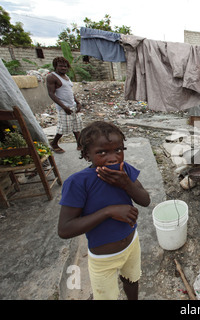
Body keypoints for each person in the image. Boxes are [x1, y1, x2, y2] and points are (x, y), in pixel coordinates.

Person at [57, 121, 151, 300]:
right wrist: (108, 211)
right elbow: (65, 229)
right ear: (86, 155)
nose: (113, 158)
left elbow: (145, 200)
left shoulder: (125, 170)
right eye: (102, 152)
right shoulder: (78, 183)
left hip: (132, 245)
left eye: (118, 150)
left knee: (132, 280)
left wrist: (126, 184)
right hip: (103, 258)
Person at [47, 57, 83, 153]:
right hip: (64, 107)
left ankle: (79, 144)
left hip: (72, 105)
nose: (63, 68)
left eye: (65, 66)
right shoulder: (52, 77)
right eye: (61, 66)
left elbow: (70, 92)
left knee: (76, 125)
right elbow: (51, 94)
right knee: (64, 127)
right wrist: (63, 107)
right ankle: (54, 143)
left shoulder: (66, 77)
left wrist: (77, 102)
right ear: (55, 66)